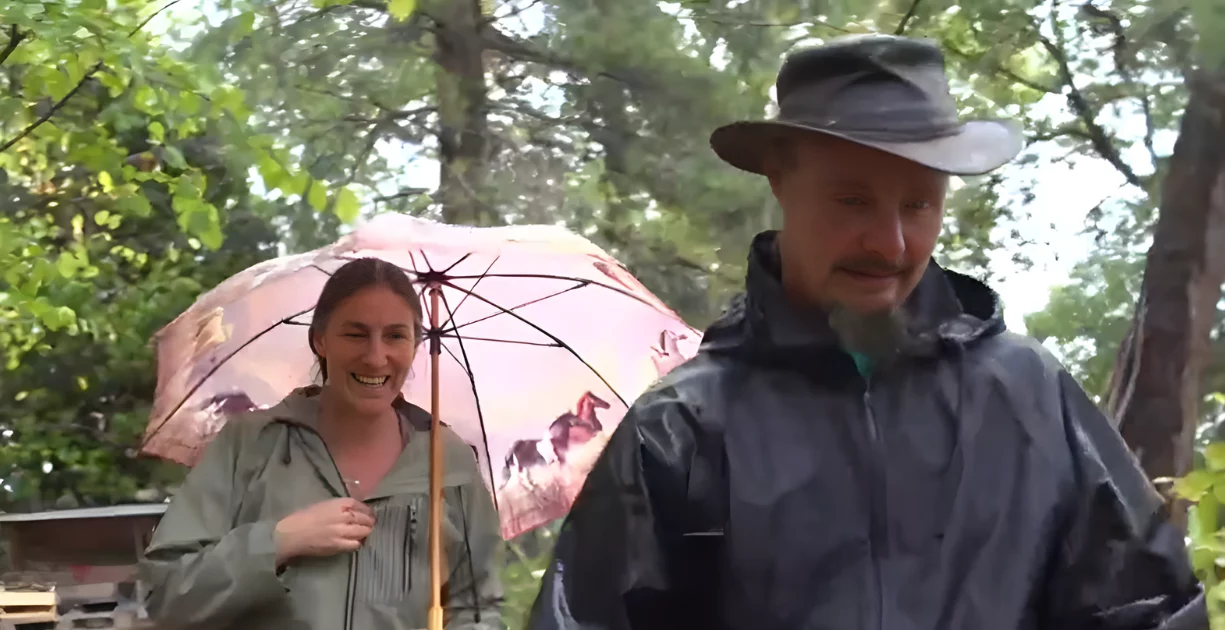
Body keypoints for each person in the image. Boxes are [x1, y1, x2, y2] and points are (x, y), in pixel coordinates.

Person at [526, 34, 1208, 630]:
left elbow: (1146, 609)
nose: (888, 242)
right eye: (851, 199)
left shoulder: (1030, 397)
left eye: (917, 204)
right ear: (779, 179)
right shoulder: (681, 429)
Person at [141, 257, 503, 630]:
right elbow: (166, 595)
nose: (376, 357)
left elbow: (478, 608)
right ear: (320, 339)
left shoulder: (448, 462)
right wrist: (278, 541)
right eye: (355, 334)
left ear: (415, 345)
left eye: (396, 335)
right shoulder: (250, 444)